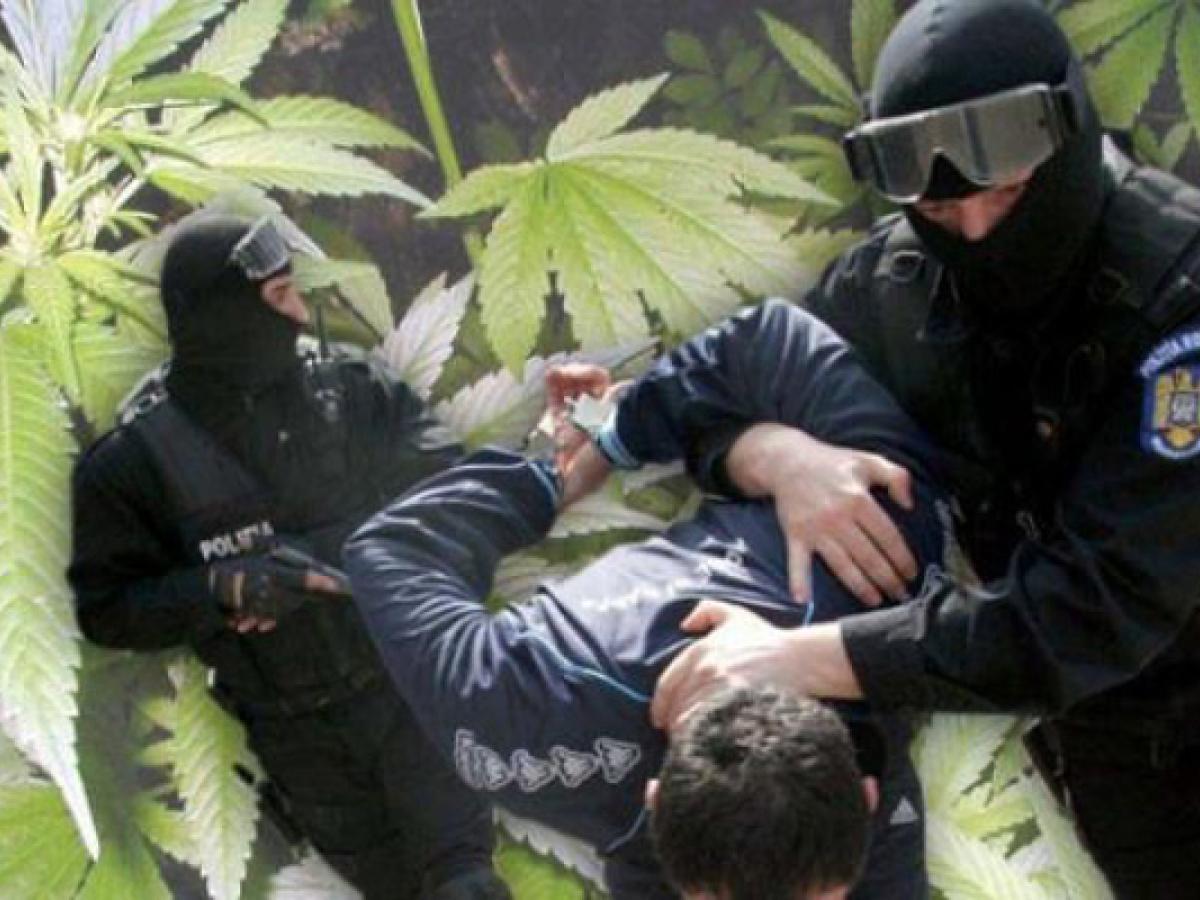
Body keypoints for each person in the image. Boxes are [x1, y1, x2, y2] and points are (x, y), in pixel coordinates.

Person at [625, 1, 1200, 897]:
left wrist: (800, 657)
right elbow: (723, 385)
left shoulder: (1180, 303)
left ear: (1068, 134)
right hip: (1113, 755)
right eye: (939, 206)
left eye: (1007, 195)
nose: (975, 234)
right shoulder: (898, 284)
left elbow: (1094, 608)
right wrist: (778, 457)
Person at [343, 300, 945, 899]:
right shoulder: (883, 536)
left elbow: (396, 550)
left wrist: (587, 449)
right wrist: (594, 446)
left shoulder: (508, 729)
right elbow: (767, 338)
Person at [67, 213, 509, 900]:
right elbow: (107, 609)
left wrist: (310, 559)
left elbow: (456, 502)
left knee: (467, 882)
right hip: (301, 741)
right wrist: (221, 588)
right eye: (277, 296)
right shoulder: (135, 460)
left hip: (407, 695)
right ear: (221, 317)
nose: (300, 314)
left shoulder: (351, 391)